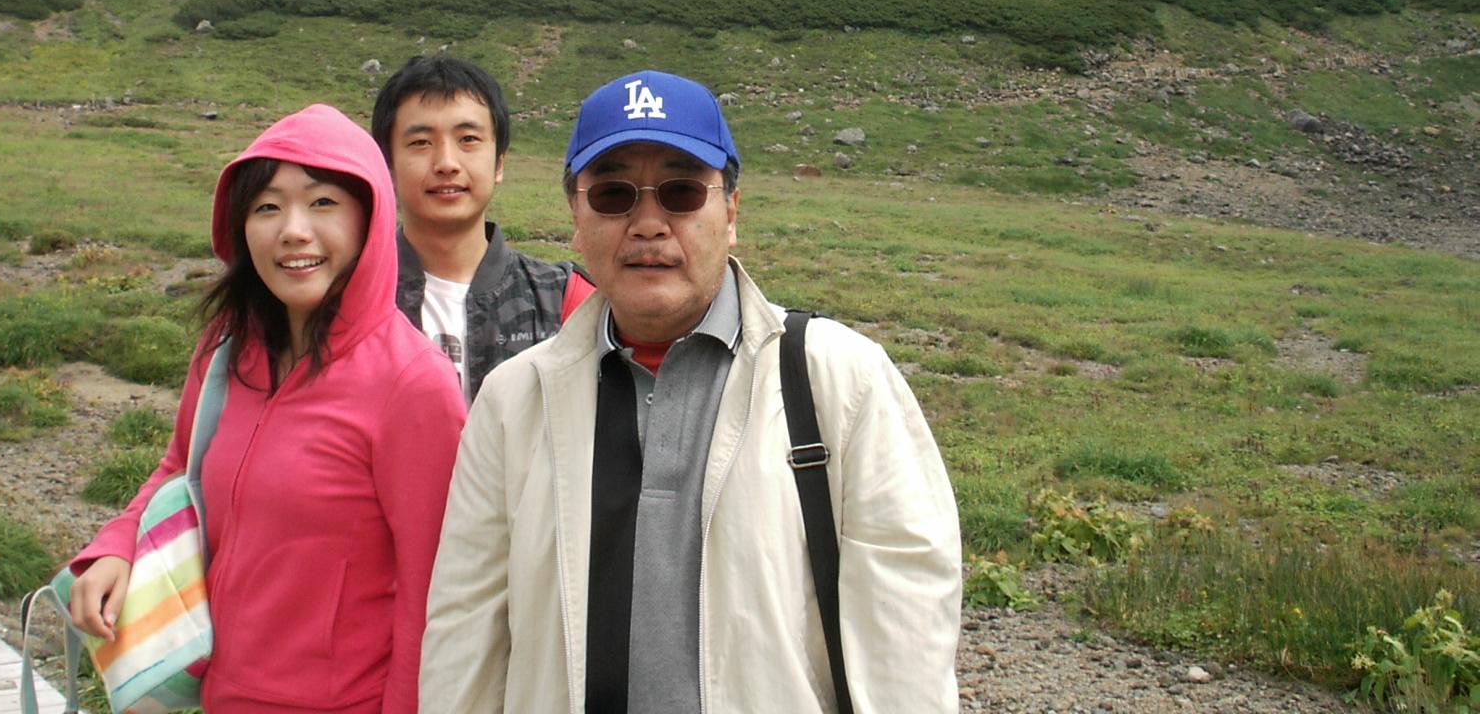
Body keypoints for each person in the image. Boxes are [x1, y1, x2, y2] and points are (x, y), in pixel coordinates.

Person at [421, 70, 961, 714]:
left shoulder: (842, 381)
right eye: (614, 195)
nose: (648, 224)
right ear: (576, 218)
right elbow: (466, 634)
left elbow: (906, 635)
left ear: (730, 213)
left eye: (681, 193)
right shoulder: (513, 403)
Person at [68, 103, 466, 713]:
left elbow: (432, 598)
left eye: (322, 202)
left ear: (371, 217)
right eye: (267, 207)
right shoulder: (227, 349)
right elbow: (179, 466)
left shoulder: (412, 386)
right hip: (222, 696)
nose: (293, 231)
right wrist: (117, 543)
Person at [371, 55, 591, 403]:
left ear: (499, 162)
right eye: (421, 142)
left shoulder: (565, 300)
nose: (446, 163)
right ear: (389, 166)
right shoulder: (351, 295)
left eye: (468, 139)